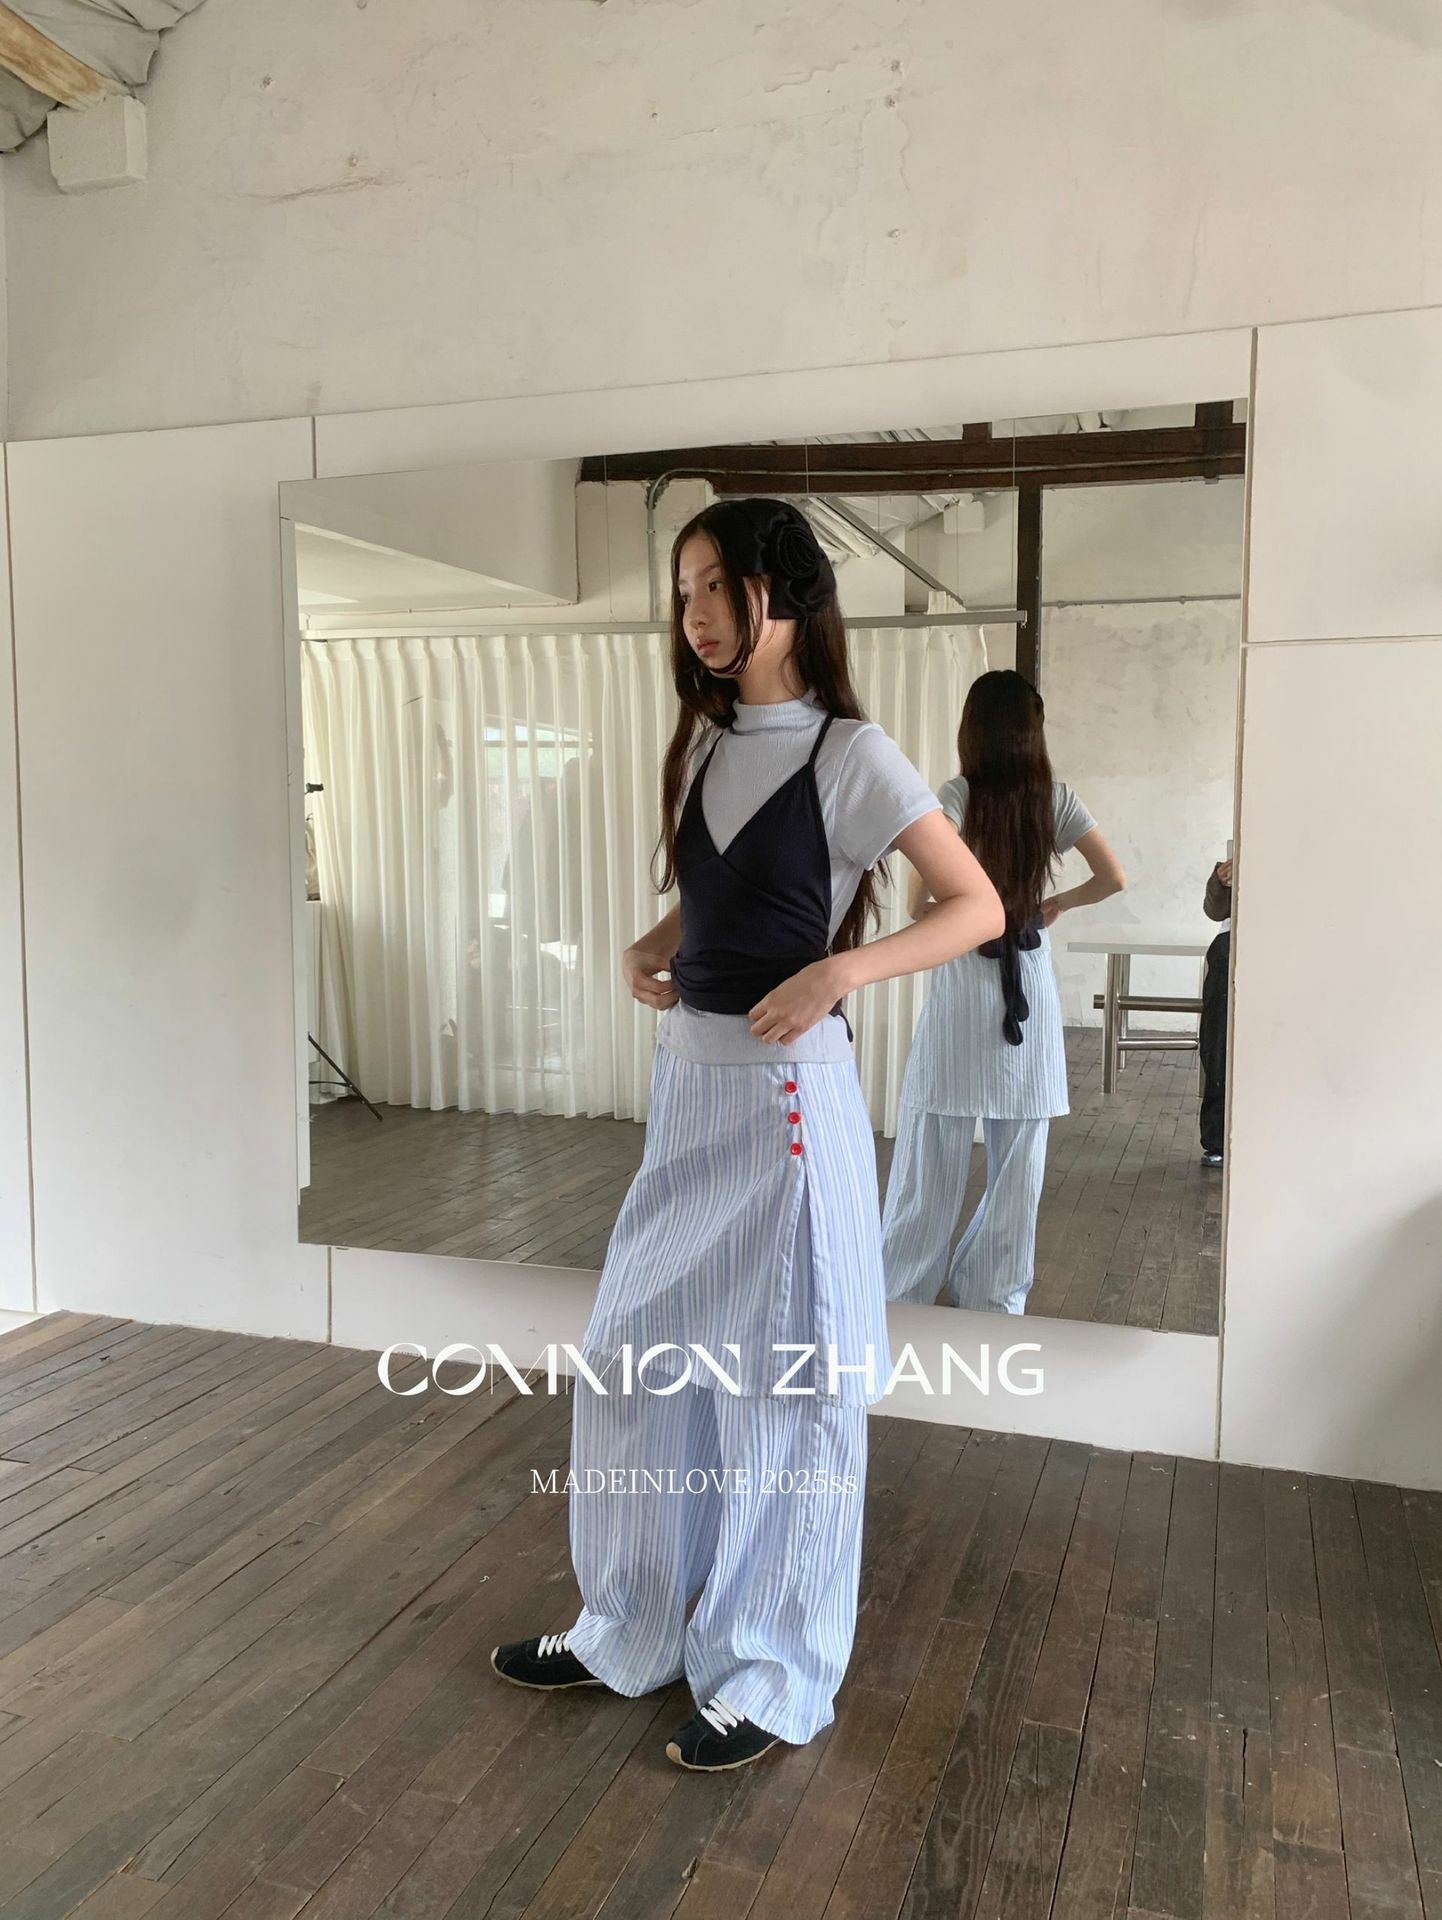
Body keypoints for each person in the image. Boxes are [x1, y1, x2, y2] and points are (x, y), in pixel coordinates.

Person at [490, 498, 1004, 1771]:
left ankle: (767, 1671)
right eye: (683, 592)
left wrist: (841, 972)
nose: (697, 613)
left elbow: (975, 905)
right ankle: (628, 1629)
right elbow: (714, 897)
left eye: (718, 584)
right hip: (688, 1089)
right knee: (631, 1360)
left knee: (783, 1387)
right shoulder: (706, 743)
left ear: (785, 591)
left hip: (786, 1105)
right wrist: (647, 943)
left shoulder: (851, 753)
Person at [881, 670, 1125, 1314]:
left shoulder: (957, 795)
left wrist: (966, 906)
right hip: (1027, 980)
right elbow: (1113, 877)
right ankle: (994, 1299)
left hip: (966, 976)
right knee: (1019, 1162)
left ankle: (901, 1294)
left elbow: (918, 904)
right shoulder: (1056, 799)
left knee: (931, 1146)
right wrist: (1055, 904)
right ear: (1033, 731)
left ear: (972, 729)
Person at [1199, 854, 1233, 1166]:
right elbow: (1214, 911)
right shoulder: (1241, 854)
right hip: (1232, 944)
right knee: (1219, 1043)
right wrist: (1221, 882)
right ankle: (1218, 1137)